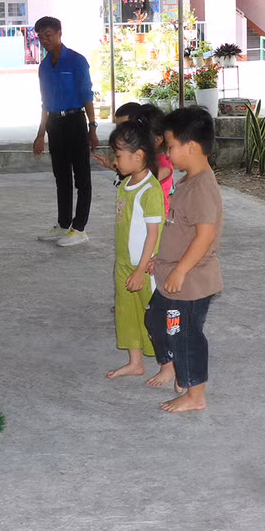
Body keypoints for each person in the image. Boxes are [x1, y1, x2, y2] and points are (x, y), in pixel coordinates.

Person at [144, 107, 223, 412]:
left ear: (191, 147)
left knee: (185, 335)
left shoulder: (203, 187)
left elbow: (204, 236)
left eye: (170, 145)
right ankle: (175, 368)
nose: (167, 152)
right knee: (155, 319)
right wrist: (160, 259)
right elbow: (178, 228)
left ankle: (195, 393)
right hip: (171, 276)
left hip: (188, 283)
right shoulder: (189, 180)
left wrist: (179, 270)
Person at [32, 16, 99, 247]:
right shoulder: (44, 66)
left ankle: (79, 228)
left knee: (82, 177)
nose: (44, 40)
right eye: (40, 37)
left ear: (60, 33)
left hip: (75, 122)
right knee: (61, 177)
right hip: (54, 125)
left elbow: (87, 96)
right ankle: (63, 224)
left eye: (48, 34)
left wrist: (92, 127)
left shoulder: (77, 61)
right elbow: (45, 102)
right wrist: (41, 134)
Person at [105, 120, 164, 380]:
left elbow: (153, 233)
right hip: (122, 263)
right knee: (127, 314)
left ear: (138, 155)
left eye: (118, 156)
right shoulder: (126, 184)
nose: (115, 161)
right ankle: (135, 362)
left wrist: (141, 269)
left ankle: (168, 365)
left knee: (154, 317)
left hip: (144, 267)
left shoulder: (150, 191)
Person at [137, 104, 174, 214]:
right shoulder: (145, 158)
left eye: (139, 136)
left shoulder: (163, 164)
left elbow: (140, 180)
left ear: (157, 139)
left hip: (155, 220)